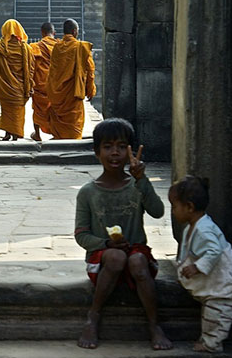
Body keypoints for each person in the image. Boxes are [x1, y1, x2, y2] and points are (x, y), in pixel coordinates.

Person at [74, 118, 173, 350]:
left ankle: (154, 325)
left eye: (121, 146)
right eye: (107, 147)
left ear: (131, 151)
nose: (115, 153)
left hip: (136, 254)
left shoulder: (136, 185)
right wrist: (106, 243)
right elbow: (81, 235)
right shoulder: (88, 192)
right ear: (96, 152)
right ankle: (93, 317)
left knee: (137, 260)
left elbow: (158, 212)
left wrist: (142, 180)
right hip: (102, 259)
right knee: (116, 257)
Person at [169, 176, 232, 353]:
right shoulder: (192, 226)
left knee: (216, 316)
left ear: (189, 207)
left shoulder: (203, 230)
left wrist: (197, 267)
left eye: (174, 207)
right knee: (211, 313)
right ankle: (209, 339)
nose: (173, 211)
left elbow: (214, 250)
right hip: (217, 283)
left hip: (225, 284)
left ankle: (212, 344)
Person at [0, 19, 35, 141]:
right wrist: (30, 85)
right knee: (17, 112)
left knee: (7, 111)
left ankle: (8, 134)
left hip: (5, 86)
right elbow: (31, 69)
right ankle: (15, 134)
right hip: (20, 87)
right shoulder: (26, 49)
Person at [46, 18, 96, 139]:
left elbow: (53, 71)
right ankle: (72, 138)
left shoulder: (56, 47)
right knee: (74, 123)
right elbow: (89, 70)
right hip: (72, 94)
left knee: (58, 118)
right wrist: (91, 89)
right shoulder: (81, 47)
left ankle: (59, 136)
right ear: (74, 31)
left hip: (58, 93)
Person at [29, 22, 58, 141]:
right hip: (57, 84)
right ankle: (57, 133)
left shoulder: (35, 47)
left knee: (37, 109)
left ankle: (37, 134)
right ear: (54, 33)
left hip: (40, 83)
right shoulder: (60, 46)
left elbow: (31, 66)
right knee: (56, 109)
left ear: (42, 33)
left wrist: (29, 83)